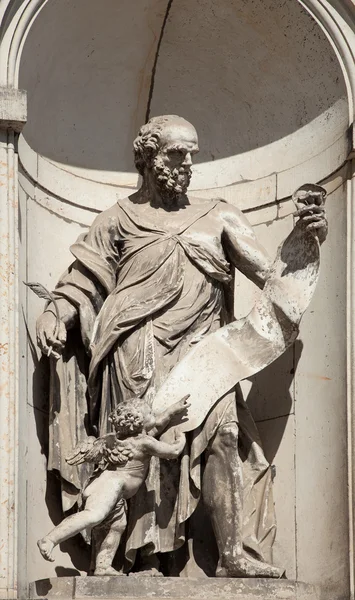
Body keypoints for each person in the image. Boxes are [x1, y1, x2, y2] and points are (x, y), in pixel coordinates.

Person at [36, 115, 328, 577]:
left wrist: (309, 238)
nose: (188, 161)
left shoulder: (219, 215)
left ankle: (234, 556)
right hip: (136, 349)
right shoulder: (117, 219)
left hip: (206, 352)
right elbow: (83, 282)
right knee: (141, 458)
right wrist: (58, 314)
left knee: (225, 436)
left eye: (192, 152)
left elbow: (272, 277)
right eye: (177, 152)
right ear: (149, 157)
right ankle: (143, 560)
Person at [37, 396, 189, 575]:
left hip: (114, 490)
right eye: (149, 413)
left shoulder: (122, 439)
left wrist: (171, 411)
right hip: (111, 485)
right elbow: (173, 452)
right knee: (93, 516)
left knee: (117, 525)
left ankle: (102, 566)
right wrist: (181, 439)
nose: (153, 415)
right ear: (138, 420)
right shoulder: (145, 443)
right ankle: (50, 539)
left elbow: (155, 426)